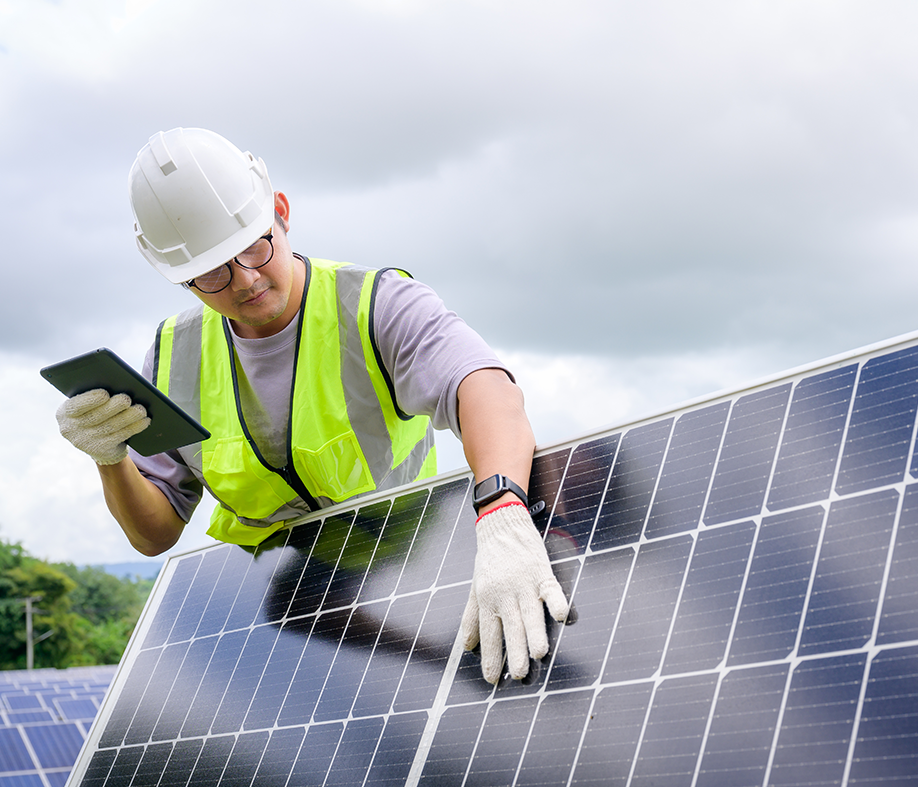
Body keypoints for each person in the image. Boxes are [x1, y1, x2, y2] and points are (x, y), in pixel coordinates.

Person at [55, 127, 567, 684]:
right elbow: (154, 534)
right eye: (211, 271)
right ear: (178, 277)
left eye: (254, 245)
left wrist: (501, 514)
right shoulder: (174, 355)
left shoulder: (374, 305)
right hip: (263, 617)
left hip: (405, 580)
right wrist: (110, 458)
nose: (245, 279)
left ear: (280, 211)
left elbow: (486, 389)